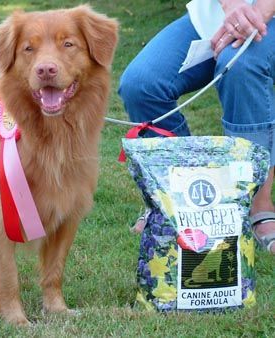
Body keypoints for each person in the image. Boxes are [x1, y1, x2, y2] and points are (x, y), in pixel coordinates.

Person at [118, 0, 275, 253]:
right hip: (215, 14)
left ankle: (258, 204)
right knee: (142, 84)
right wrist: (233, 6)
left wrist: (263, 9)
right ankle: (181, 199)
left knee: (241, 65)